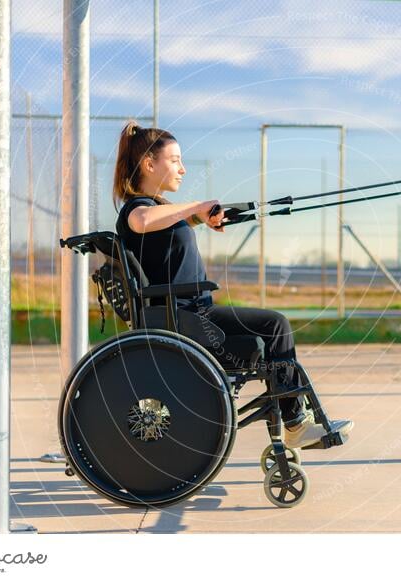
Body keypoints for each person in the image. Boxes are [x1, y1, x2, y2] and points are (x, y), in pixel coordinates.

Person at [112, 122, 353, 449]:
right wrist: (196, 208)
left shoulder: (160, 210)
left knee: (272, 327)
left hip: (191, 314)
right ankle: (295, 422)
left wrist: (202, 217)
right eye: (175, 160)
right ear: (149, 164)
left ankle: (294, 419)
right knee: (275, 325)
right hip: (186, 319)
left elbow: (170, 221)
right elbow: (141, 222)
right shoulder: (137, 209)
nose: (182, 169)